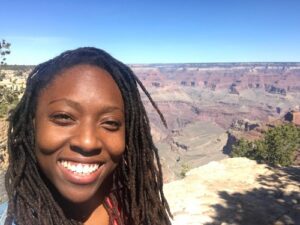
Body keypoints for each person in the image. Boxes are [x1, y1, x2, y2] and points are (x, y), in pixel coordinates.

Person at [0, 47, 172, 225]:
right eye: (64, 117)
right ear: (32, 125)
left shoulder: (139, 211)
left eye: (110, 123)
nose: (88, 142)